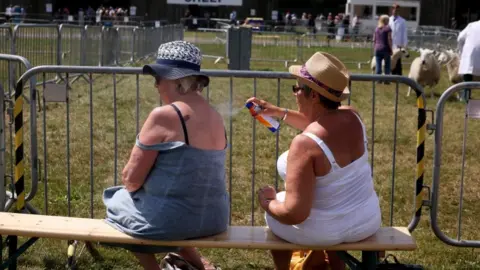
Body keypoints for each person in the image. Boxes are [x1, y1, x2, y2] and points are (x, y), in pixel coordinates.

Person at [102, 41, 229, 270]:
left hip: (174, 219)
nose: (155, 86)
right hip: (215, 218)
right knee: (164, 209)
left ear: (173, 80)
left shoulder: (164, 115)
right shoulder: (215, 116)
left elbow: (131, 179)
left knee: (116, 200)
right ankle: (200, 265)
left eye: (157, 78)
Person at [249, 52, 381, 270]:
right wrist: (277, 111)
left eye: (298, 88)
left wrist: (266, 202)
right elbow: (320, 122)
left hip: (327, 231)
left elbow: (295, 213)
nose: (294, 93)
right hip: (367, 221)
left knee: (277, 208)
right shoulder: (353, 117)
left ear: (314, 96)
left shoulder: (305, 145)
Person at [457, 19, 480, 103]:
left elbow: (460, 38)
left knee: (467, 76)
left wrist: (461, 51)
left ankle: (465, 97)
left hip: (471, 56)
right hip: (473, 56)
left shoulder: (471, 26)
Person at [389, 4, 408, 76]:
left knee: (398, 60)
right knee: (391, 60)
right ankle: (391, 74)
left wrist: (405, 45)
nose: (395, 10)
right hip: (390, 43)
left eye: (396, 9)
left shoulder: (402, 21)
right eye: (393, 9)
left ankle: (399, 75)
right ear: (392, 10)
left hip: (398, 44)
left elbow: (404, 34)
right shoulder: (389, 20)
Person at [373, 15, 393, 82]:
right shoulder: (388, 28)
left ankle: (378, 79)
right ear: (385, 21)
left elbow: (374, 39)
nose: (389, 21)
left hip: (377, 49)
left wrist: (374, 48)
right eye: (388, 20)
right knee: (387, 65)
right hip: (385, 49)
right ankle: (387, 80)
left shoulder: (376, 28)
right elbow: (389, 39)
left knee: (378, 65)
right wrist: (391, 49)